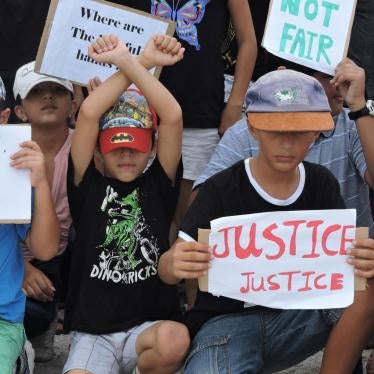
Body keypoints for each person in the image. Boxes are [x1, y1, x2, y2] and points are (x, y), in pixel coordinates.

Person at [158, 68, 374, 373]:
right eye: (276, 131)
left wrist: (363, 258)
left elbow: (345, 266)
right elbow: (167, 269)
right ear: (253, 128)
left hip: (297, 317)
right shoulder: (221, 188)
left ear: (316, 132)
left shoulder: (321, 183)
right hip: (224, 326)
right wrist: (174, 263)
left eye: (298, 132)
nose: (286, 144)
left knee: (362, 291)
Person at [63, 34, 189, 374]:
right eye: (116, 145)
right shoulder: (85, 186)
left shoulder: (159, 184)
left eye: (134, 145)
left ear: (151, 148)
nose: (125, 154)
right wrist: (138, 61)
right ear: (99, 150)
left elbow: (173, 116)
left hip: (147, 330)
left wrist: (133, 62)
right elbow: (89, 112)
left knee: (176, 339)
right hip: (93, 334)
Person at [13, 61, 76, 362]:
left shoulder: (84, 146)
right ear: (21, 110)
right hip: (11, 259)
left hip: (62, 258)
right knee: (28, 312)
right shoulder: (7, 150)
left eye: (57, 90)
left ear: (73, 103)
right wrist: (21, 269)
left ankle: (73, 320)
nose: (48, 97)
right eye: (37, 92)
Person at [0, 112, 60, 372]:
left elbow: (45, 249)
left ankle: (18, 355)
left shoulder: (13, 165)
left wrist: (41, 184)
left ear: (3, 117)